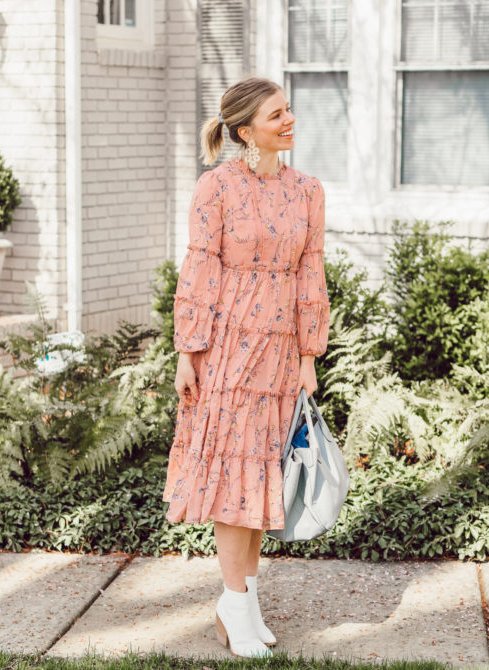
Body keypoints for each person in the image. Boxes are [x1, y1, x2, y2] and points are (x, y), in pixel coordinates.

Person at [162, 76, 331, 658]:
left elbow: (312, 276)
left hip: (282, 349)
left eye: (289, 110)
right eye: (276, 115)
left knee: (264, 478)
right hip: (229, 347)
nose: (289, 120)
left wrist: (309, 355)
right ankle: (234, 604)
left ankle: (244, 602)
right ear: (245, 131)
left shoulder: (308, 190)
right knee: (237, 477)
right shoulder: (217, 187)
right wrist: (189, 350)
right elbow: (200, 268)